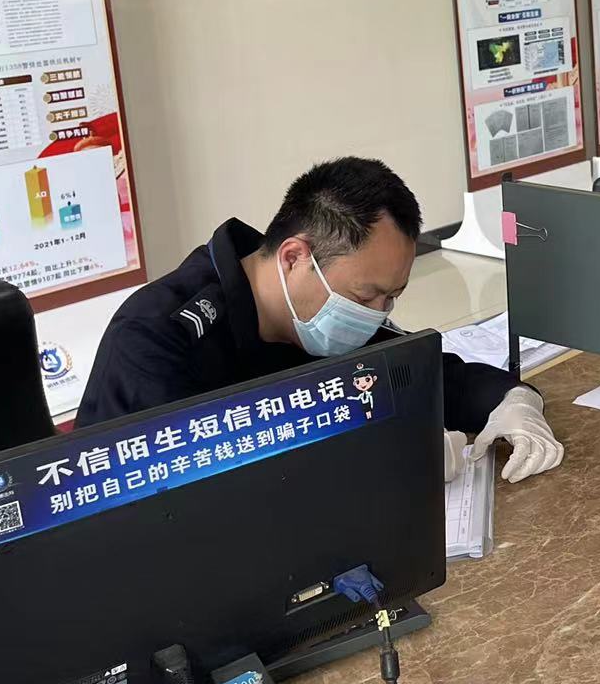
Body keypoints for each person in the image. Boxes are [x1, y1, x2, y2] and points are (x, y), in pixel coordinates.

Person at [78, 156, 563, 484]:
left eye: (392, 297)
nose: (378, 314)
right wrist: (381, 465)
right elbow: (176, 496)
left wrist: (512, 401)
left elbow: (427, 377)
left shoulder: (331, 313)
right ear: (294, 257)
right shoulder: (157, 339)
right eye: (367, 296)